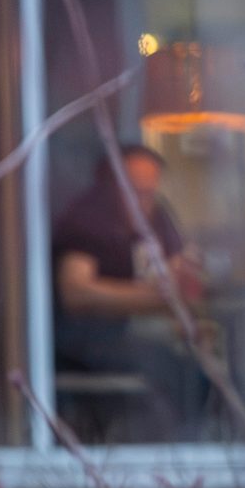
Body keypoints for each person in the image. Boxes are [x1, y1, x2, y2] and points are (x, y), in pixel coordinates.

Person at [51, 142, 207, 439]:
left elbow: (179, 271)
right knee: (172, 368)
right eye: (135, 190)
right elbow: (76, 293)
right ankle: (178, 451)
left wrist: (184, 279)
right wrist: (152, 298)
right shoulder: (86, 220)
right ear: (108, 187)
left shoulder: (157, 214)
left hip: (133, 332)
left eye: (151, 190)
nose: (144, 200)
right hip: (83, 342)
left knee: (200, 369)